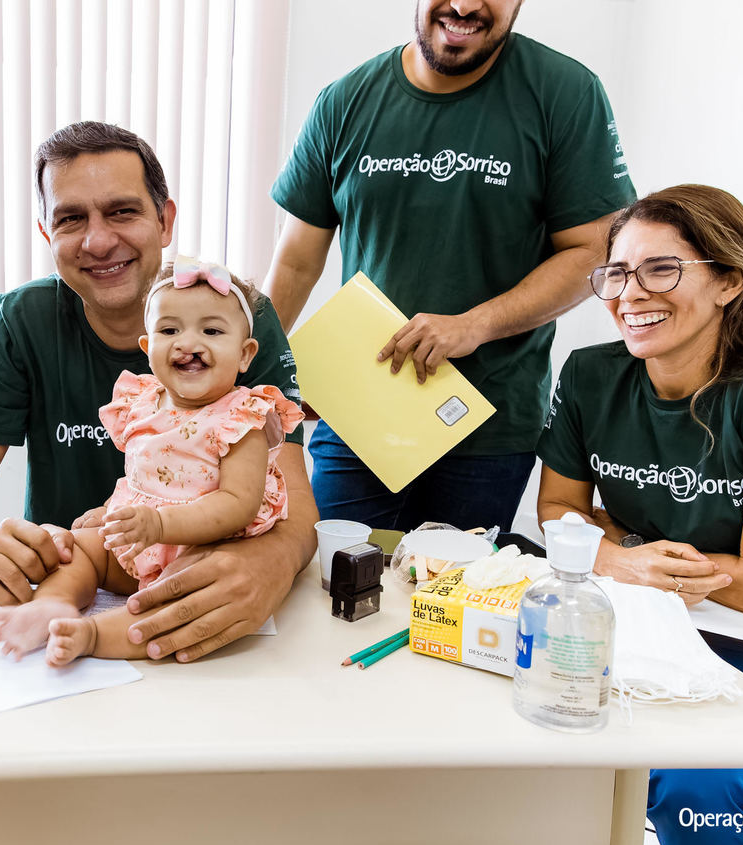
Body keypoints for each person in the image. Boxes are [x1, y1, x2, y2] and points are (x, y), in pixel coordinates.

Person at [536, 184, 743, 845]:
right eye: (618, 273)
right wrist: (623, 559)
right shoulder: (588, 376)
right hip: (697, 615)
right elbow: (558, 510)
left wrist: (619, 545)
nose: (630, 292)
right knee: (694, 794)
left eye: (661, 269)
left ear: (727, 282)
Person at [0, 122, 318, 663]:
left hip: (196, 603)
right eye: (71, 219)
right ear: (46, 234)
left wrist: (274, 561)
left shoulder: (238, 317)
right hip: (78, 586)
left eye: (122, 211)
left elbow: (296, 507)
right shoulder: (20, 321)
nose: (98, 240)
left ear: (165, 220)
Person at [263, 0, 636, 533]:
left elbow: (595, 250)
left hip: (485, 424)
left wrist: (474, 325)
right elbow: (297, 261)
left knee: (453, 603)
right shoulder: (344, 101)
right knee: (334, 590)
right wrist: (255, 373)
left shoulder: (565, 93)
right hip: (355, 412)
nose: (464, 5)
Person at [0, 258, 304, 663]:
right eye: (169, 330)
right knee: (80, 551)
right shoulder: (141, 402)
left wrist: (159, 525)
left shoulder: (242, 418)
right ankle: (53, 603)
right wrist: (110, 512)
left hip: (199, 548)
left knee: (170, 606)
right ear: (147, 346)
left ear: (245, 355)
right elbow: (141, 477)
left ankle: (93, 636)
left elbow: (238, 505)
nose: (188, 343)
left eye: (211, 330)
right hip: (139, 539)